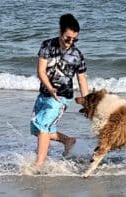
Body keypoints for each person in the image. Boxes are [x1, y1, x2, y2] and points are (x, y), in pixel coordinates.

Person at [30, 13, 88, 169]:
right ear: (60, 31)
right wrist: (49, 88)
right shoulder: (47, 46)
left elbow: (82, 79)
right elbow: (41, 71)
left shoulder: (77, 55)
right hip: (45, 93)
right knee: (38, 129)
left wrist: (87, 102)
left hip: (61, 97)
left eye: (75, 39)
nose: (70, 42)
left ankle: (39, 165)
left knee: (42, 127)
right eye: (67, 38)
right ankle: (67, 140)